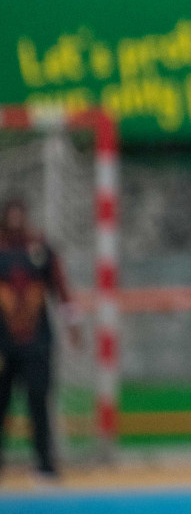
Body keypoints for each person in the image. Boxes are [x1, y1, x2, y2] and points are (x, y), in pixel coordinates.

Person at [0, 197, 81, 479]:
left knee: (38, 402)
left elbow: (60, 287)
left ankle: (45, 464)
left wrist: (73, 324)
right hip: (3, 344)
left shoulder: (41, 249)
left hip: (36, 343)